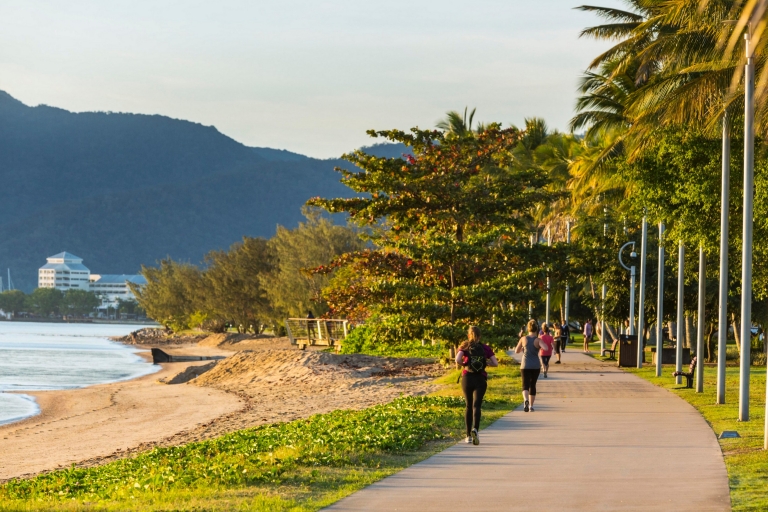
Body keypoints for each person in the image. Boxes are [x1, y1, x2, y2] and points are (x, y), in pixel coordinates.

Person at [455, 326, 498, 445]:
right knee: (477, 405)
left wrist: (464, 363)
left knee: (468, 406)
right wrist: (486, 362)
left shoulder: (465, 346)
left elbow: (457, 359)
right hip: (480, 378)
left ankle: (468, 435)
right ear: (480, 336)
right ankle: (476, 429)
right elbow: (495, 363)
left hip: (467, 377)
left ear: (469, 335)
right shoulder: (485, 348)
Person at [515, 319, 549, 412]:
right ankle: (531, 406)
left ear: (528, 328)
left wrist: (523, 347)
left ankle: (525, 400)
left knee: (525, 385)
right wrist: (540, 345)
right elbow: (546, 348)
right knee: (532, 385)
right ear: (536, 329)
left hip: (525, 365)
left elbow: (516, 351)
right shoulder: (538, 340)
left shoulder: (523, 339)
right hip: (535, 365)